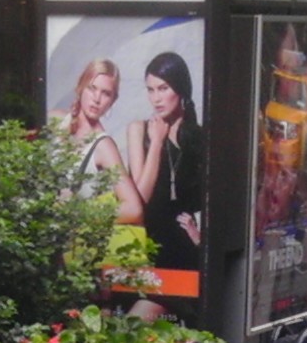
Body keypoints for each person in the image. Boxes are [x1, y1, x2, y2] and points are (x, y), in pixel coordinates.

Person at [123, 52, 205, 269]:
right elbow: (140, 199)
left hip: (184, 252)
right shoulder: (138, 130)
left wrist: (199, 238)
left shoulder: (199, 137)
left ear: (181, 89)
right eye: (150, 90)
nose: (155, 98)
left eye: (163, 88)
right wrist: (157, 142)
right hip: (146, 249)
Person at [59, 57, 143, 222]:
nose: (97, 99)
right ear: (81, 87)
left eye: (106, 93)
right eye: (92, 88)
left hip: (77, 241)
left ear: (112, 101)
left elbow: (133, 209)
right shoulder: (60, 122)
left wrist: (79, 212)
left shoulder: (103, 146)